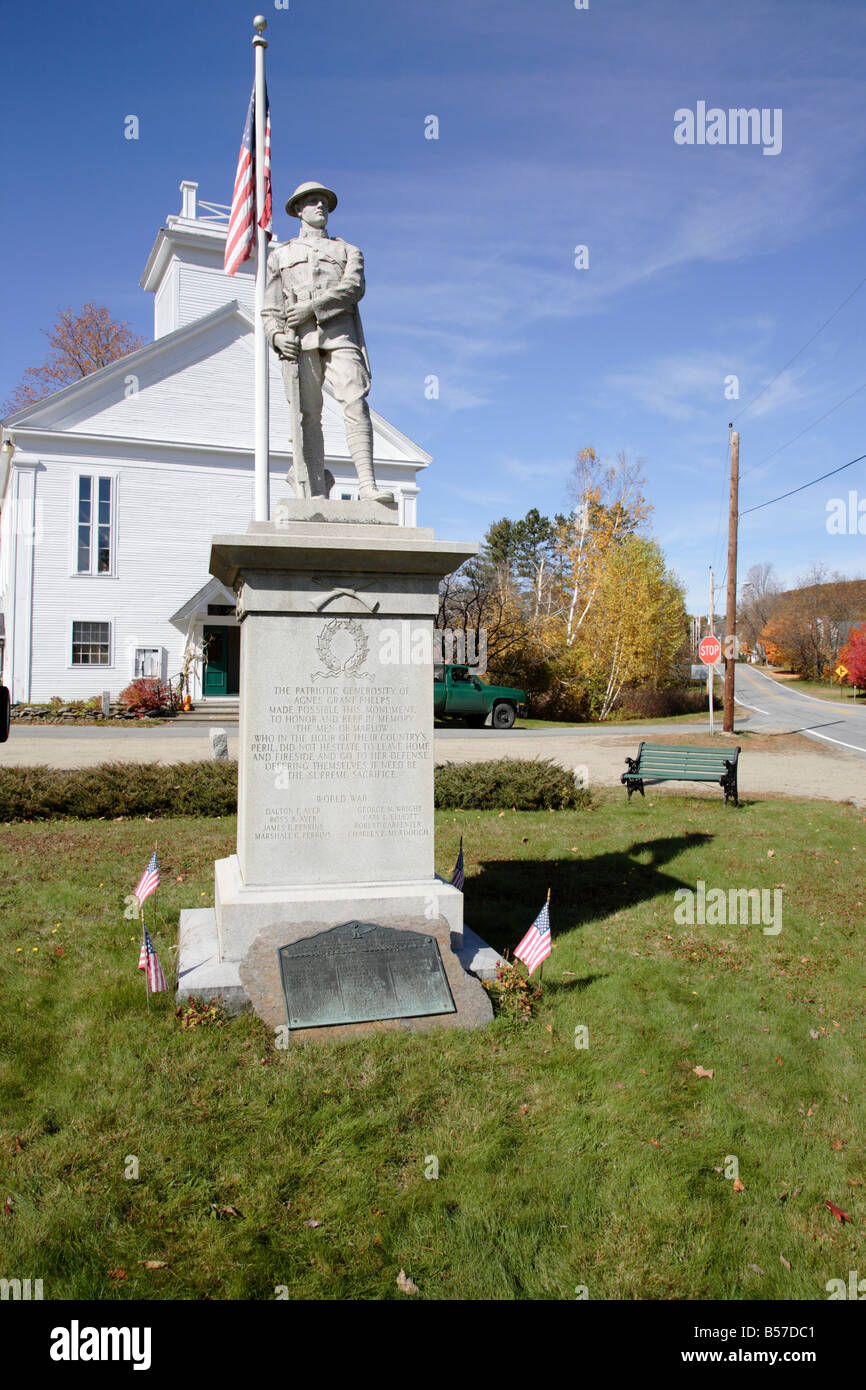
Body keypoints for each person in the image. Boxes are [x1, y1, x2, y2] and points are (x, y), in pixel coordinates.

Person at [262, 180, 393, 504]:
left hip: (340, 333)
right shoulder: (281, 255)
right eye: (311, 201)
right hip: (299, 340)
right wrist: (276, 336)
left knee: (355, 403)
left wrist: (312, 306)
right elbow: (270, 307)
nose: (319, 206)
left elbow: (353, 288)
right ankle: (315, 487)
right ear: (298, 210)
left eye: (323, 201)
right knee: (308, 414)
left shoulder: (347, 250)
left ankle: (367, 486)